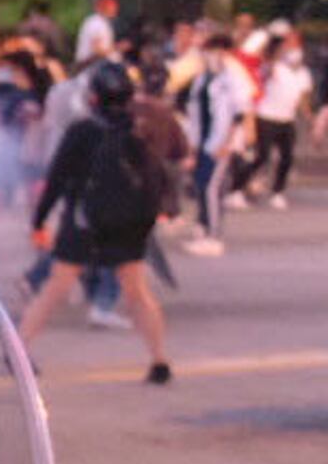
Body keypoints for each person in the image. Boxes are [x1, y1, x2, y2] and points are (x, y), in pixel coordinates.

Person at [21, 55, 178, 382]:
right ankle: (159, 359)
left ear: (92, 95)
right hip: (129, 222)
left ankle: (19, 351)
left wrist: (39, 220)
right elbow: (158, 175)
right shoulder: (142, 128)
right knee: (136, 290)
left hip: (85, 220)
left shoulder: (82, 130)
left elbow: (58, 177)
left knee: (56, 286)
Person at [176, 28, 250, 256]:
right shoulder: (203, 78)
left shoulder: (233, 77)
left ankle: (213, 236)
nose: (212, 55)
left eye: (216, 50)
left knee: (211, 187)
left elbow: (240, 112)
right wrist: (191, 147)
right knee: (200, 184)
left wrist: (227, 143)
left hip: (221, 142)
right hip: (203, 140)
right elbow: (195, 112)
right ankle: (203, 225)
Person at [234, 22, 308, 208]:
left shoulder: (301, 72)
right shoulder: (271, 66)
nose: (291, 48)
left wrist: (310, 118)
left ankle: (277, 191)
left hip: (287, 119)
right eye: (287, 44)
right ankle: (236, 190)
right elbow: (253, 57)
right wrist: (269, 37)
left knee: (287, 157)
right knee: (261, 157)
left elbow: (301, 97)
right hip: (266, 117)